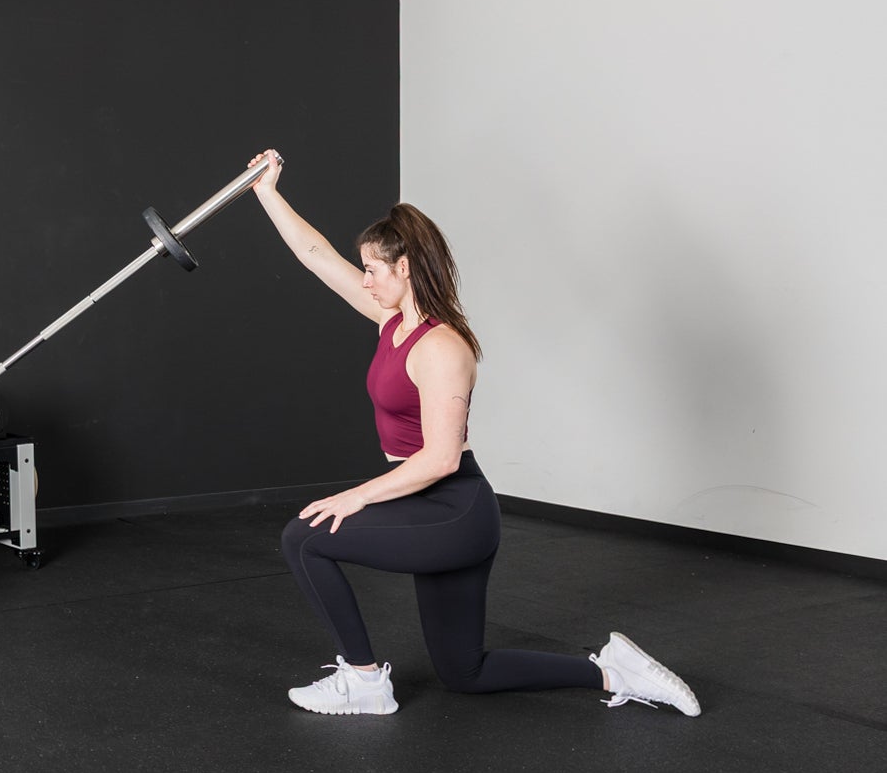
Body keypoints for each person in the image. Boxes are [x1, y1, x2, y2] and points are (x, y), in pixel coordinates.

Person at [246, 149, 700, 717]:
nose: (363, 279)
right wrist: (266, 192)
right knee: (465, 671)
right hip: (427, 504)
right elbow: (317, 256)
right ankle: (610, 670)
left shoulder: (440, 348)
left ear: (405, 268)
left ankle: (363, 680)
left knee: (305, 535)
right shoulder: (392, 322)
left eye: (373, 269)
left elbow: (438, 460)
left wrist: (356, 495)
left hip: (452, 509)